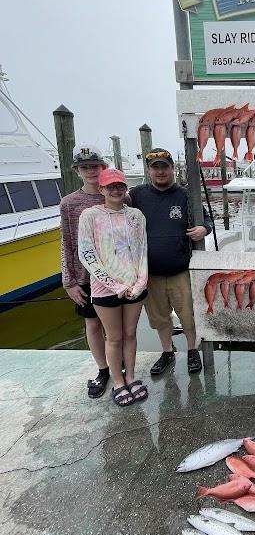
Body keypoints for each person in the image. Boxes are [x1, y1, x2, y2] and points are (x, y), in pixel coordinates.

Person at [129, 148, 212, 376]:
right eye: (156, 168)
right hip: (150, 273)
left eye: (165, 167)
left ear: (172, 169)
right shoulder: (136, 195)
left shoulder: (185, 195)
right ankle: (167, 351)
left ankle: (192, 349)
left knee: (188, 314)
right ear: (149, 170)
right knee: (159, 317)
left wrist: (204, 228)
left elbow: (207, 219)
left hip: (180, 271)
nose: (161, 172)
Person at [78, 168, 148, 407]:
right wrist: (113, 284)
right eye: (110, 186)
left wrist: (139, 284)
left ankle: (131, 376)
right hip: (104, 289)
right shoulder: (89, 215)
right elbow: (87, 254)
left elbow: (142, 252)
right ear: (101, 189)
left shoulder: (137, 216)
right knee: (114, 337)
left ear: (125, 187)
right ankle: (117, 381)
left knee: (130, 334)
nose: (116, 190)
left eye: (119, 185)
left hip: (134, 288)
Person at [60, 144, 110, 398]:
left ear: (103, 168)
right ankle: (103, 370)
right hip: (85, 275)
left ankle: (120, 365)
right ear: (77, 171)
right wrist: (68, 281)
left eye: (95, 166)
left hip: (116, 275)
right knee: (92, 323)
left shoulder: (116, 195)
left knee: (117, 328)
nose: (91, 171)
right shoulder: (69, 203)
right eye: (85, 167)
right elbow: (67, 242)